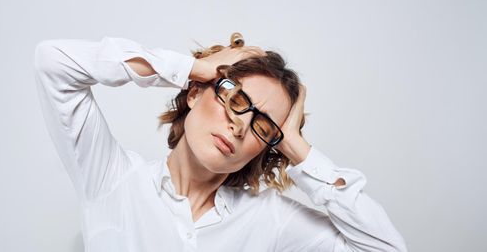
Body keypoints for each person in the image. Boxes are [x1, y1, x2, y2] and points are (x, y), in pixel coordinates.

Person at [33, 32, 407, 252]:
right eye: (237, 100)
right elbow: (53, 63)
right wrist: (189, 68)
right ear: (195, 92)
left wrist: (294, 145)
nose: (241, 127)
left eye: (264, 125)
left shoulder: (268, 219)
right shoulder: (112, 181)